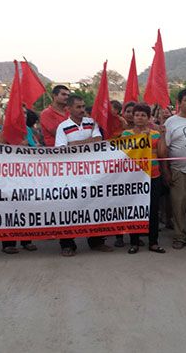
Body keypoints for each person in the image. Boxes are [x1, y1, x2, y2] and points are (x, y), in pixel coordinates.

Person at [54, 95, 112, 256]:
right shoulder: (63, 126)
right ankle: (67, 244)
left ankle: (96, 241)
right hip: (71, 175)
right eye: (78, 107)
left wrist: (75, 144)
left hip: (93, 173)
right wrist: (88, 141)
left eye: (83, 107)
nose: (82, 110)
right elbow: (61, 149)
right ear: (69, 109)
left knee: (94, 205)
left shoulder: (91, 122)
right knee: (69, 208)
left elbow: (99, 140)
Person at [159, 89, 186, 249]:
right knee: (179, 206)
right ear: (179, 103)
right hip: (179, 171)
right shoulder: (171, 122)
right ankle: (180, 236)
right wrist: (166, 171)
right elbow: (164, 150)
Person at [121, 103, 165, 254]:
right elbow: (125, 153)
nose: (139, 118)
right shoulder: (126, 134)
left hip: (153, 175)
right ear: (133, 117)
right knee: (135, 209)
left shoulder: (155, 134)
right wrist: (141, 138)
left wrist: (163, 135)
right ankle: (134, 242)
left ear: (149, 118)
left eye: (143, 115)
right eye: (137, 115)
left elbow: (162, 154)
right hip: (134, 178)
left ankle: (153, 242)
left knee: (153, 209)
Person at [0, 110, 39, 254]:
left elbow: (36, 145)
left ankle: (26, 240)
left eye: (25, 113)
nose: (24, 115)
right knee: (10, 209)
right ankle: (8, 242)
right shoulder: (3, 132)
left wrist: (35, 147)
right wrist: (20, 146)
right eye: (21, 113)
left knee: (27, 207)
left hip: (28, 175)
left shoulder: (29, 130)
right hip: (9, 177)